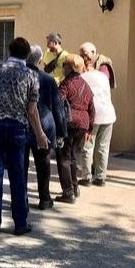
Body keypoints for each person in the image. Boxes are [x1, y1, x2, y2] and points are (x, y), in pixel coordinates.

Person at [0, 37, 48, 235]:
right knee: (17, 175)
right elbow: (32, 110)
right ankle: (20, 223)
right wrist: (40, 134)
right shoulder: (31, 76)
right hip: (17, 128)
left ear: (9, 50)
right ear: (27, 55)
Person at [24, 44, 66, 210]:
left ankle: (22, 198)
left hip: (24, 125)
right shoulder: (47, 79)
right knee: (43, 164)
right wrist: (61, 132)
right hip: (45, 125)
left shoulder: (21, 75)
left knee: (22, 164)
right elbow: (58, 107)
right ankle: (44, 198)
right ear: (40, 60)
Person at [54, 54, 95, 203]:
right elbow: (92, 107)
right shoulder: (86, 84)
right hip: (83, 124)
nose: (63, 67)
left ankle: (68, 192)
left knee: (64, 157)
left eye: (64, 65)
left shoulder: (66, 83)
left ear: (70, 68)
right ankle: (75, 187)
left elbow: (58, 102)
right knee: (72, 157)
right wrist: (90, 128)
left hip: (68, 123)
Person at [78, 57, 116, 187]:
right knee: (103, 147)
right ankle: (100, 177)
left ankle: (86, 177)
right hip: (108, 113)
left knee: (87, 147)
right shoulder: (103, 76)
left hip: (93, 115)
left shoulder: (83, 77)